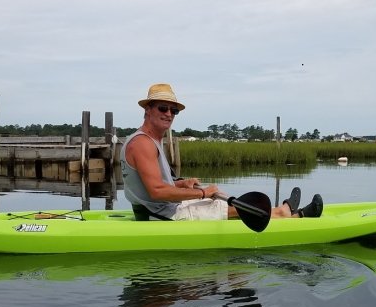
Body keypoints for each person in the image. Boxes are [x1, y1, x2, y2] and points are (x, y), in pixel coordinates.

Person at [122, 83, 323, 221]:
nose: (169, 114)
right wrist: (201, 192)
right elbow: (157, 192)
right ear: (148, 109)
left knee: (217, 200)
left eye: (173, 111)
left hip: (157, 210)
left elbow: (153, 184)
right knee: (218, 204)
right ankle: (284, 213)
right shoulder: (143, 143)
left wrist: (181, 184)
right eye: (163, 108)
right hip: (161, 216)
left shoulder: (149, 140)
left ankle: (286, 214)